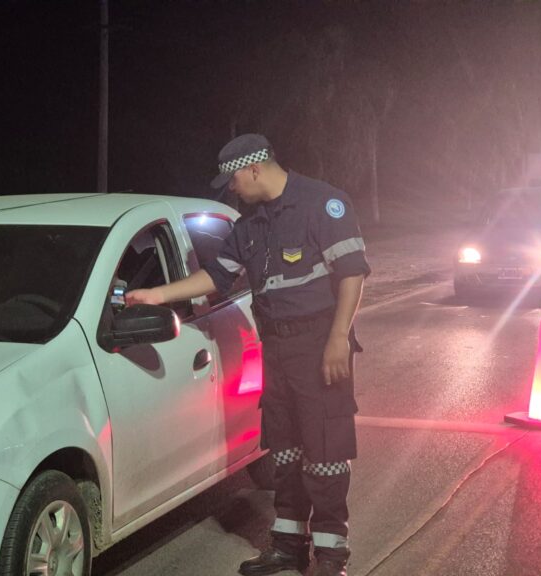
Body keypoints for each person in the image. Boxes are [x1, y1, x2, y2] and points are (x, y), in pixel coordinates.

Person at [126, 133, 371, 576]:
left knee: (325, 452)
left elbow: (352, 274)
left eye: (233, 180)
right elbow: (216, 276)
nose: (232, 190)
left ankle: (332, 557)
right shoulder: (250, 225)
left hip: (320, 346)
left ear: (254, 168)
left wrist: (339, 336)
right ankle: (288, 547)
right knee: (285, 452)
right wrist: (156, 295)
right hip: (276, 348)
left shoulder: (324, 203)